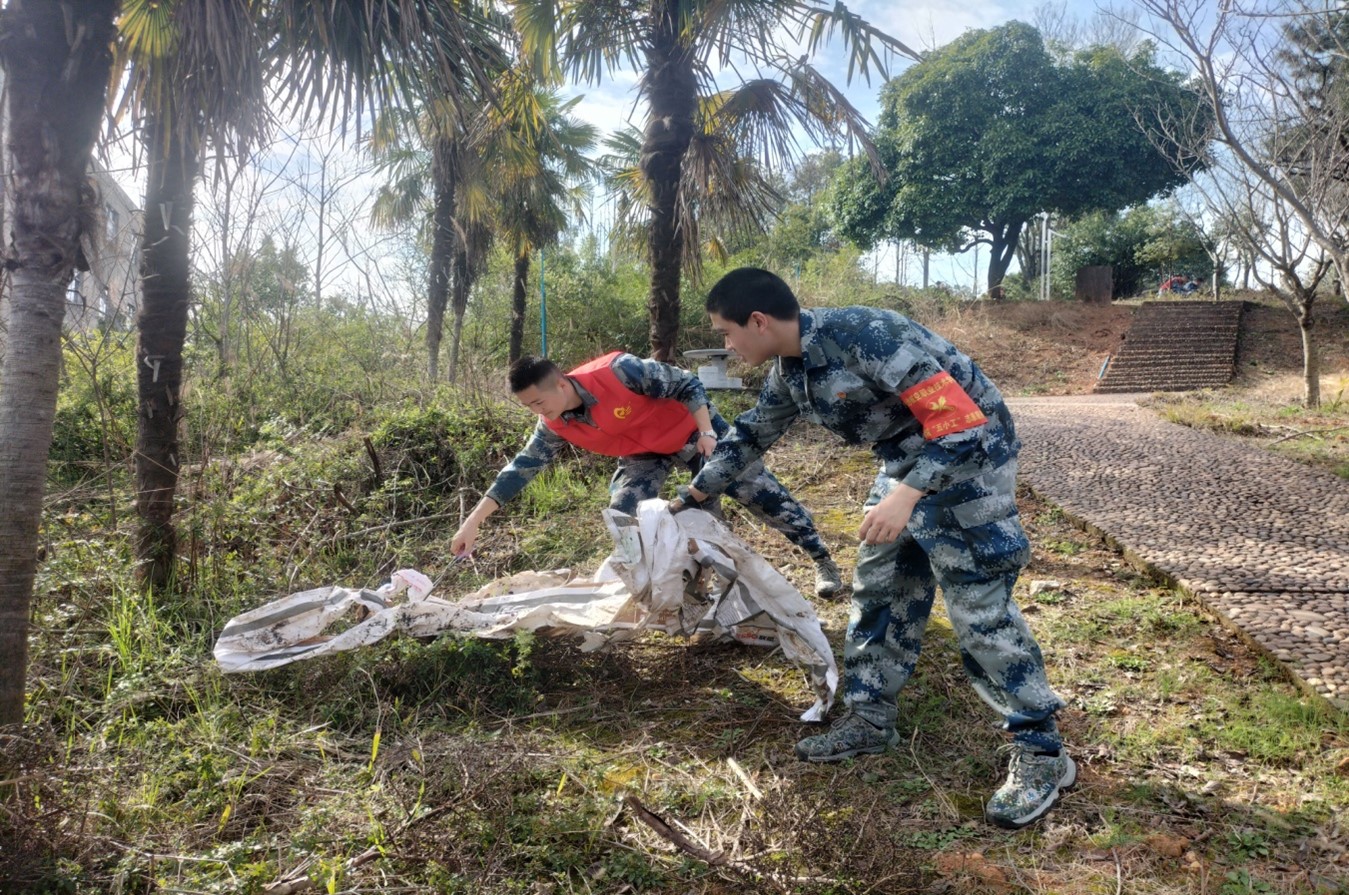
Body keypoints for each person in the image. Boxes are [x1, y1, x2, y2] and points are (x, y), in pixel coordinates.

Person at [674, 267, 1072, 829]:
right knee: (879, 587)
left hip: (970, 459)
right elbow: (751, 433)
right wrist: (692, 494)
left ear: (758, 321)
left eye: (727, 332)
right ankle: (869, 717)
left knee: (978, 611)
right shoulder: (793, 370)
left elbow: (962, 420)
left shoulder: (869, 335)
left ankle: (1042, 753)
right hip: (905, 461)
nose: (727, 344)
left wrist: (906, 496)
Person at [451, 351, 845, 598]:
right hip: (642, 452)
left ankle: (821, 559)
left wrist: (707, 432)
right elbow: (521, 468)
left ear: (560, 382)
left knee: (756, 490)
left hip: (693, 430)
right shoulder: (551, 422)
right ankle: (676, 590)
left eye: (539, 401)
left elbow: (688, 383)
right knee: (625, 512)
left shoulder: (619, 372)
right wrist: (473, 522)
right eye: (529, 407)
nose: (538, 411)